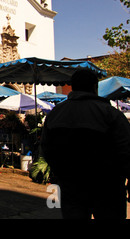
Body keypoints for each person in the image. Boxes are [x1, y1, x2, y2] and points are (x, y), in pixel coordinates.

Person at [41, 69, 130, 219]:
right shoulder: (109, 113)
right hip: (107, 186)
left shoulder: (56, 114)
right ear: (95, 87)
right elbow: (126, 149)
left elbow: (46, 148)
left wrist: (60, 172)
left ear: (73, 86)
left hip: (70, 185)